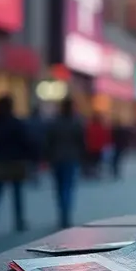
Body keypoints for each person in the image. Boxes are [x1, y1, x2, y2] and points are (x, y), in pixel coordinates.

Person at [0, 95, 32, 239]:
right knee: (17, 194)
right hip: (16, 161)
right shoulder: (16, 122)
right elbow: (25, 141)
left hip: (0, 161)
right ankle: (18, 221)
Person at [44, 98, 85, 228]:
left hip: (56, 158)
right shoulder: (76, 122)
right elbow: (81, 141)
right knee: (68, 186)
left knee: (59, 187)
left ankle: (62, 213)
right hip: (71, 158)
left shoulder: (55, 122)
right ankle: (65, 215)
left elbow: (48, 141)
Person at [84, 113, 110, 178]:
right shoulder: (101, 128)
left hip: (91, 147)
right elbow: (105, 138)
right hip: (98, 148)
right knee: (96, 162)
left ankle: (91, 172)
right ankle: (95, 172)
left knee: (91, 162)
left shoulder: (89, 127)